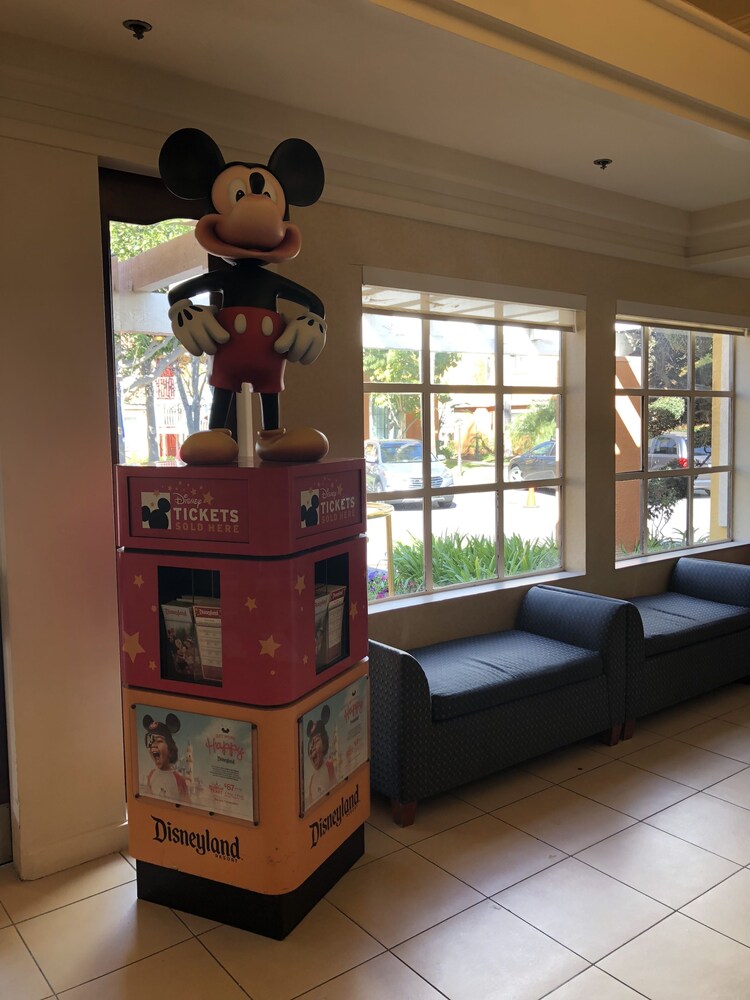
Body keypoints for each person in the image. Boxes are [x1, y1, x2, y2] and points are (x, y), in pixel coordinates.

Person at [142, 713, 190, 804]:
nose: (153, 746)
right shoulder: (152, 775)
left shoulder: (179, 780)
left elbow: (187, 806)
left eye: (159, 741)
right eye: (150, 741)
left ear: (170, 750)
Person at [306, 706, 336, 806]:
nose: (313, 749)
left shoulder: (330, 766)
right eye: (311, 745)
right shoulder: (311, 781)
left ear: (324, 744)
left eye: (317, 741)